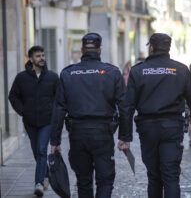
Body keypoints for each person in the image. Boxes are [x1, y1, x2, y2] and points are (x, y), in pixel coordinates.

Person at [50, 33, 132, 197]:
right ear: (100, 50)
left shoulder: (68, 73)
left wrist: (55, 140)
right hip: (103, 133)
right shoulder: (112, 73)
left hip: (77, 134)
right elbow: (125, 106)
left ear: (82, 50)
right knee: (105, 180)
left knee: (83, 181)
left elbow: (59, 108)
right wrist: (124, 137)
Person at [125, 33, 191, 198]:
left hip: (148, 128)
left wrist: (125, 136)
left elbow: (128, 105)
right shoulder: (181, 70)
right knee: (171, 175)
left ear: (151, 48)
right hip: (172, 126)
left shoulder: (137, 71)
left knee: (154, 175)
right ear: (169, 48)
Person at [8, 46, 59, 196]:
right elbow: (13, 96)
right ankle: (47, 175)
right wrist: (23, 112)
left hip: (47, 121)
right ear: (31, 59)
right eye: (38, 56)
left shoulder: (52, 77)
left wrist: (54, 113)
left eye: (43, 55)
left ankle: (39, 183)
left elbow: (59, 98)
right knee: (37, 152)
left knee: (42, 149)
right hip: (30, 122)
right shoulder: (21, 78)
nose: (42, 58)